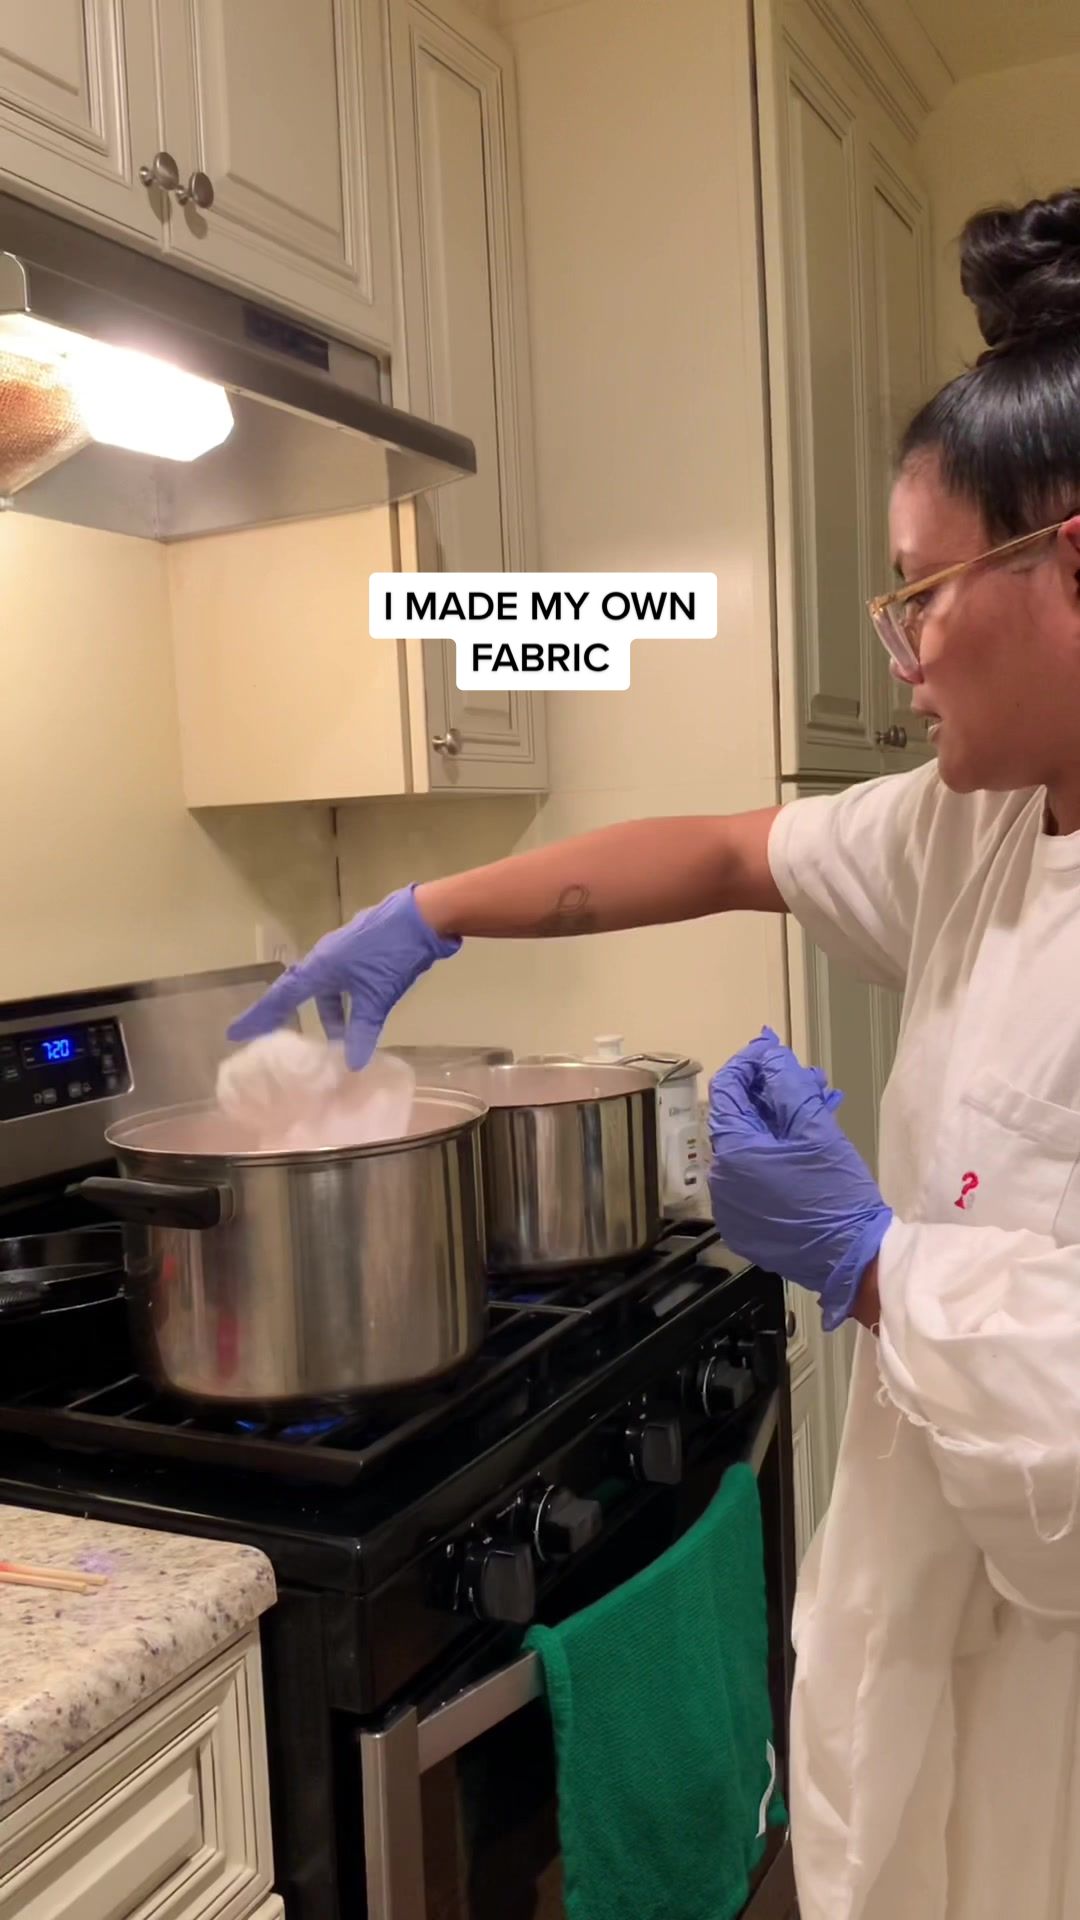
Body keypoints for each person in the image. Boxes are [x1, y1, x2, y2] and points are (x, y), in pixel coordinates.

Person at [229, 186, 1080, 1918]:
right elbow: (719, 850)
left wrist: (867, 1259)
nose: (903, 656)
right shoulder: (984, 819)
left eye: (920, 593)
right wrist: (427, 911)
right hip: (934, 1617)